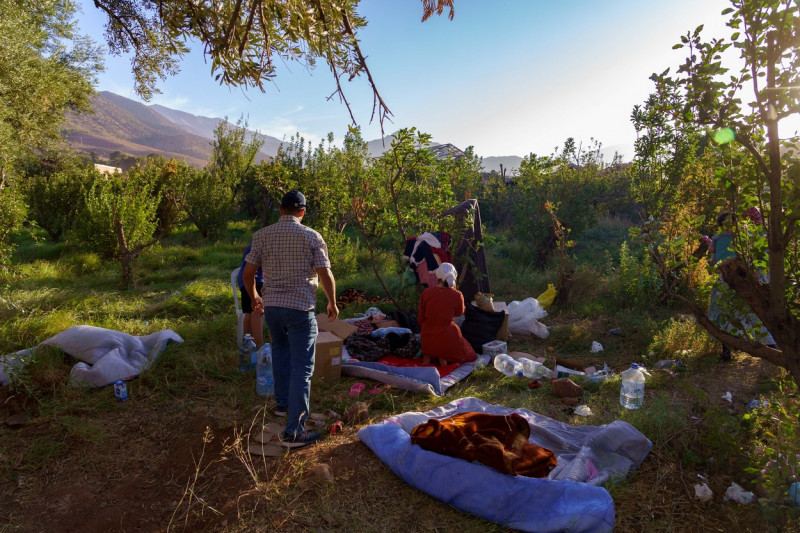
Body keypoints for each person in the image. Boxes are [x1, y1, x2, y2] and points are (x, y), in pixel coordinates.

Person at [242, 190, 339, 448]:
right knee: (302, 368)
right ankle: (294, 433)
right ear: (302, 212)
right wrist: (331, 302)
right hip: (300, 309)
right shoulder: (311, 236)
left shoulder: (262, 235)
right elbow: (325, 274)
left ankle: (283, 405)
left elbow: (248, 273)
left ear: (281, 209)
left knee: (281, 353)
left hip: (272, 308)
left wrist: (254, 297)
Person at [707, 211, 775, 361]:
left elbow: (714, 259)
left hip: (727, 282)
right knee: (755, 312)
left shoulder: (718, 239)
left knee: (726, 314)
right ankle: (770, 346)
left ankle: (727, 347)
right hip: (745, 281)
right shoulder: (745, 235)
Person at [418, 262, 477, 366]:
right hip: (447, 336)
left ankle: (429, 358)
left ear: (438, 276)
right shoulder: (457, 295)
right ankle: (443, 359)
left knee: (428, 355)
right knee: (471, 356)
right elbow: (460, 313)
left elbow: (421, 318)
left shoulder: (426, 292)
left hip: (427, 334)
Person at [237, 244, 264, 347]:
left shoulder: (255, 243)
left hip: (244, 280)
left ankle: (248, 343)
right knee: (258, 310)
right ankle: (259, 345)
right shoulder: (263, 243)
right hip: (255, 279)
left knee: (248, 311)